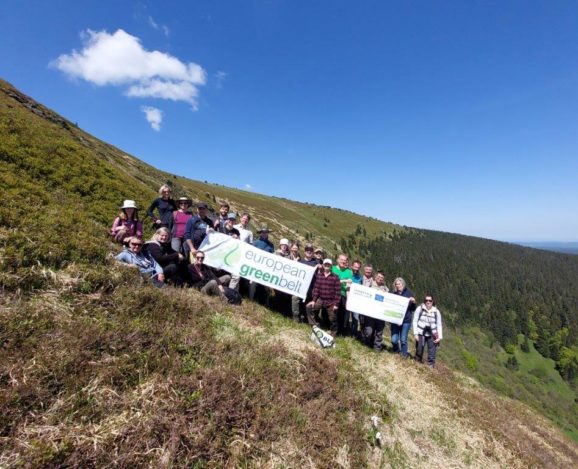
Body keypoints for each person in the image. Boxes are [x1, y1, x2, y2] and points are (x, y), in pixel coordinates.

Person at [306, 259, 341, 336]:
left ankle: (333, 333)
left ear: (331, 266)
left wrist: (336, 304)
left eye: (328, 265)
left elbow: (338, 292)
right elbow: (316, 289)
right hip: (321, 300)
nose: (327, 266)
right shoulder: (319, 276)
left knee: (333, 318)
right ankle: (314, 325)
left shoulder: (335, 277)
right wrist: (314, 300)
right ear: (323, 265)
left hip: (331, 301)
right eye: (325, 264)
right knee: (309, 307)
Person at [413, 294, 443, 368]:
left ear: (433, 301)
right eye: (426, 300)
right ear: (424, 301)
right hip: (420, 332)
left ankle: (431, 366)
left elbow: (439, 325)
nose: (428, 302)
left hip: (432, 334)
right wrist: (415, 333)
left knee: (432, 351)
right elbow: (415, 321)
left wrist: (439, 337)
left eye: (430, 300)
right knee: (419, 349)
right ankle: (417, 364)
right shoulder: (419, 309)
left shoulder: (436, 312)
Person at [390, 277, 416, 358]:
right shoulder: (393, 294)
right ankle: (396, 351)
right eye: (396, 284)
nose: (398, 286)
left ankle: (404, 356)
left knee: (403, 339)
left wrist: (413, 302)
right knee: (394, 340)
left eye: (399, 284)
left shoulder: (409, 293)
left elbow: (413, 309)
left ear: (403, 284)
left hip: (406, 321)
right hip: (395, 319)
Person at [362, 272, 389, 351]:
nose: (380, 278)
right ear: (375, 276)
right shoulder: (369, 285)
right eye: (379, 276)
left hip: (380, 314)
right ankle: (366, 345)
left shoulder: (386, 289)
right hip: (370, 312)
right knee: (369, 331)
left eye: (382, 278)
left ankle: (377, 348)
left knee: (379, 332)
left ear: (383, 280)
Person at [291, 243, 317, 322]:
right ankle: (296, 317)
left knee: (308, 303)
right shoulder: (300, 261)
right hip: (300, 287)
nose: (309, 252)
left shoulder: (316, 263)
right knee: (294, 298)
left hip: (311, 289)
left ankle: (307, 319)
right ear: (305, 252)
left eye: (311, 251)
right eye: (307, 250)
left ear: (312, 253)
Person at [250, 224, 274, 304]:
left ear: (268, 233)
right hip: (255, 268)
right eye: (263, 232)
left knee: (266, 286)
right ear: (260, 233)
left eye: (266, 232)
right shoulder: (255, 243)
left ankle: (265, 303)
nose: (264, 233)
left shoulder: (271, 245)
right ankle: (251, 300)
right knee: (252, 283)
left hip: (265, 269)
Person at [332, 254, 353, 336]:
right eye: (341, 260)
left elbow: (348, 287)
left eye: (345, 260)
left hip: (343, 294)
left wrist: (348, 299)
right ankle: (333, 329)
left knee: (342, 313)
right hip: (332, 293)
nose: (343, 262)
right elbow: (332, 280)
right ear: (337, 260)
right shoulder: (332, 268)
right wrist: (344, 280)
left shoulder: (348, 272)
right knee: (333, 313)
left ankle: (339, 331)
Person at [350, 260, 363, 337]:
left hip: (356, 301)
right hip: (347, 298)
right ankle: (344, 331)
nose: (356, 268)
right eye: (355, 266)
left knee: (355, 318)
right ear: (352, 266)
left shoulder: (360, 278)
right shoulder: (348, 273)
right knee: (346, 317)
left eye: (358, 267)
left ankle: (353, 334)